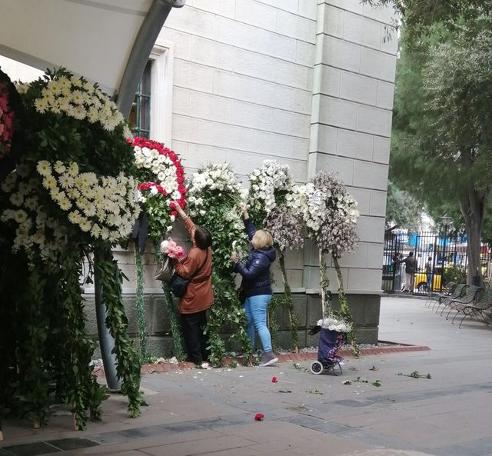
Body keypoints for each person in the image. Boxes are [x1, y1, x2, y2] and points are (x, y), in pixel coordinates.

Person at [232, 204, 278, 367]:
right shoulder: (260, 250)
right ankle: (248, 350)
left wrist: (237, 264)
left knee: (259, 323)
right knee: (249, 321)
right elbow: (251, 230)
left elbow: (249, 274)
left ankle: (268, 354)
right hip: (252, 293)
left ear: (258, 242)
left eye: (254, 238)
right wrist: (245, 213)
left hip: (258, 293)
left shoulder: (261, 258)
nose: (251, 238)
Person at [172, 202, 213, 368]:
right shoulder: (207, 248)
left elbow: (185, 272)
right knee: (202, 327)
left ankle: (195, 358)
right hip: (204, 295)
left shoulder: (195, 253)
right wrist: (180, 211)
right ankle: (206, 355)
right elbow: (192, 227)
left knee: (191, 328)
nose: (192, 232)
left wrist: (175, 258)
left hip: (193, 297)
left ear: (195, 241)